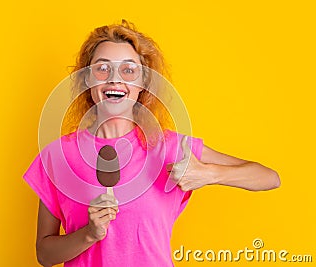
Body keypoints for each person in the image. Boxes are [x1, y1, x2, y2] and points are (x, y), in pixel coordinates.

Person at [23, 20, 280, 267]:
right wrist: (88, 234)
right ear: (88, 80)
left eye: (128, 70)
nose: (115, 78)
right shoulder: (58, 155)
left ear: (142, 83)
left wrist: (208, 174)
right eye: (102, 68)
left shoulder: (170, 148)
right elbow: (44, 255)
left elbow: (269, 178)